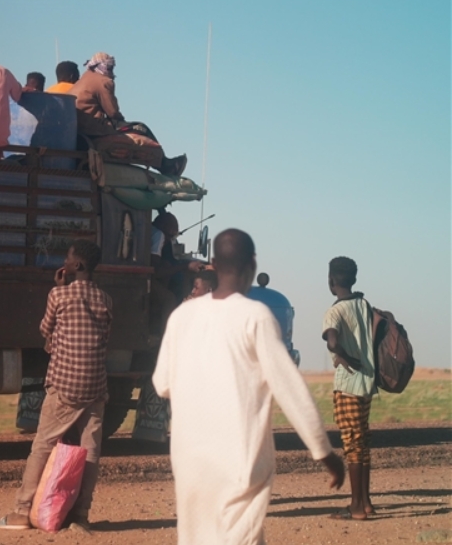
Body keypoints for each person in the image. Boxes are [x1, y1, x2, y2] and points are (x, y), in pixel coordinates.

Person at [153, 229, 345, 545]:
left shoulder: (182, 316)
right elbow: (289, 388)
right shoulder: (255, 316)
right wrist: (323, 451)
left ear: (212, 264)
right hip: (238, 461)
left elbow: (162, 383)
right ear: (252, 264)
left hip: (190, 462)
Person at [0, 240, 111, 532]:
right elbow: (104, 336)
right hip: (95, 384)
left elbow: (45, 328)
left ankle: (22, 511)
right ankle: (80, 515)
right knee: (91, 449)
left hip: (65, 384)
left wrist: (57, 288)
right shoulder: (105, 299)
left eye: (68, 258)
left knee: (42, 445)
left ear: (77, 266)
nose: (64, 261)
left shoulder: (59, 295)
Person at [323, 256, 377, 521]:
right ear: (353, 279)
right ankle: (365, 502)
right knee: (363, 442)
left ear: (331, 281)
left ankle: (356, 506)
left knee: (352, 444)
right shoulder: (364, 304)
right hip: (367, 383)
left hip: (347, 385)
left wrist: (341, 353)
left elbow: (332, 341)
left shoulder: (335, 311)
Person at [69, 52, 185, 176]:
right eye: (110, 67)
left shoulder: (84, 79)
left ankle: (164, 164)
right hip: (94, 129)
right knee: (141, 128)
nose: (111, 71)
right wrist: (122, 122)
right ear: (103, 67)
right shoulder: (104, 82)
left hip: (81, 129)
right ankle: (166, 165)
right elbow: (113, 112)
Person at [149, 212, 203, 333]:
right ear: (163, 226)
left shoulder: (150, 230)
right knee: (169, 300)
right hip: (145, 279)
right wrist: (185, 266)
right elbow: (155, 271)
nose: (170, 240)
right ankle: (165, 341)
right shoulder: (159, 235)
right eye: (171, 235)